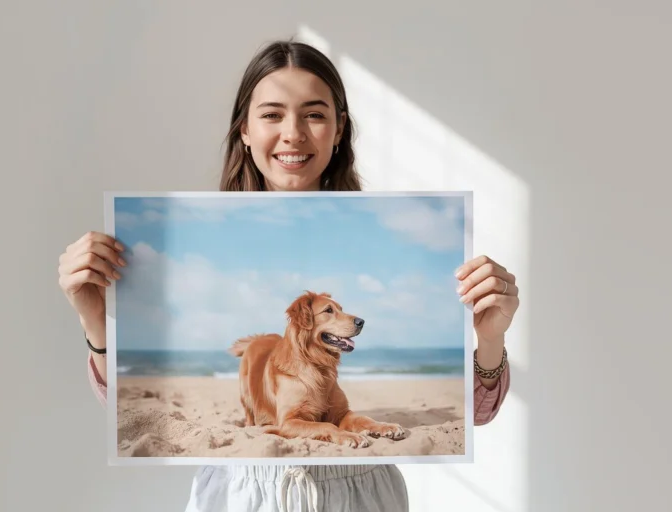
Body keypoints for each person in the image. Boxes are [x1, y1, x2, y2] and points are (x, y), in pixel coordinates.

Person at [58, 40, 518, 512]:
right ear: (245, 131)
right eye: (272, 114)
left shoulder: (399, 223)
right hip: (240, 494)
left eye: (314, 115)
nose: (293, 133)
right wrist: (98, 325)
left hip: (363, 494)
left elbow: (477, 417)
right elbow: (121, 413)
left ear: (339, 130)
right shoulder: (182, 234)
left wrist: (490, 340)